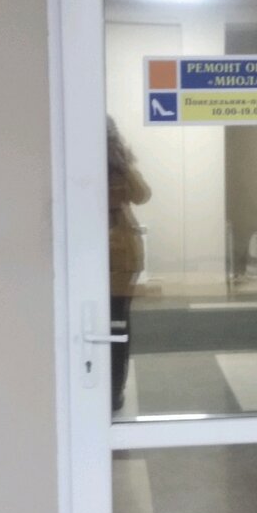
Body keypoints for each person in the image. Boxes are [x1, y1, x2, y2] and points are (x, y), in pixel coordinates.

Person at [107, 117, 151, 411]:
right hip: (97, 252)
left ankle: (113, 391)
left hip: (120, 255)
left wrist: (120, 162)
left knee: (117, 323)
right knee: (111, 323)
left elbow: (142, 194)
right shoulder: (79, 159)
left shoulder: (119, 166)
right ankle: (109, 389)